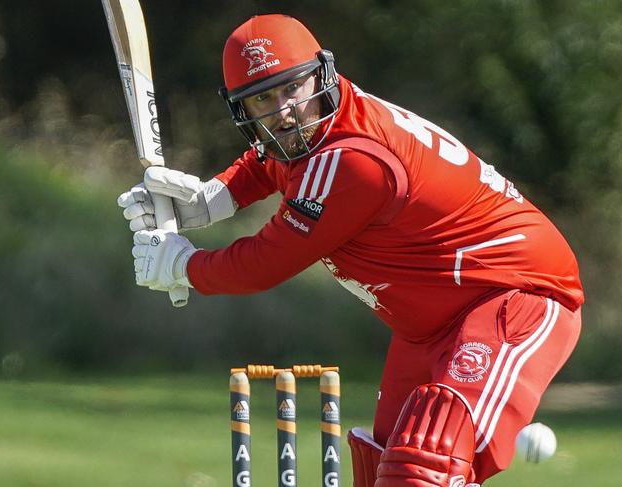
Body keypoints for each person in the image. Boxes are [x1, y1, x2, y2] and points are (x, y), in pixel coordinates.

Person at [117, 14, 584, 487]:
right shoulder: (316, 130)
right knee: (380, 465)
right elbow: (274, 161)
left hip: (513, 298)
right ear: (243, 110)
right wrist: (210, 199)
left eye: (290, 89)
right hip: (429, 323)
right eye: (263, 98)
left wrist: (184, 266)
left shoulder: (353, 160)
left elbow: (266, 261)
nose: (283, 111)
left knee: (424, 464)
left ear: (319, 75)